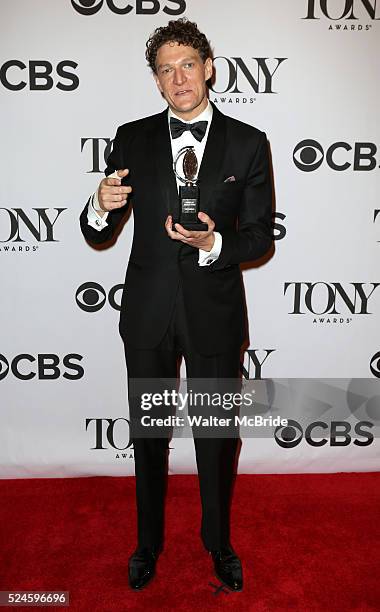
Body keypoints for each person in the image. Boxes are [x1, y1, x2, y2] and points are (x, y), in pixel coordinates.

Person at [80, 18, 272, 592]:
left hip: (214, 313)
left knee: (216, 437)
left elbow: (260, 236)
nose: (178, 77)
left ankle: (219, 544)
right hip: (147, 312)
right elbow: (101, 231)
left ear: (209, 68)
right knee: (149, 434)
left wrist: (214, 243)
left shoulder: (248, 142)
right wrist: (98, 203)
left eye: (187, 64)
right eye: (165, 69)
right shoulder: (132, 137)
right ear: (157, 82)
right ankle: (147, 544)